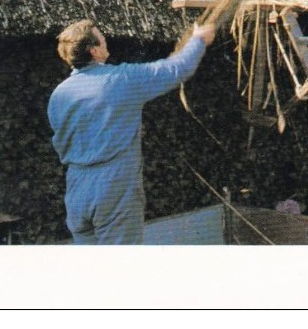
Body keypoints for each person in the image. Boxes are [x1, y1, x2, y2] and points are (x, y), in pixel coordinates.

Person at [47, 20, 216, 244]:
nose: (107, 44)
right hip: (113, 187)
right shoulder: (121, 80)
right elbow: (176, 69)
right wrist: (198, 40)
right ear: (94, 51)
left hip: (77, 190)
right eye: (103, 40)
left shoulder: (58, 95)